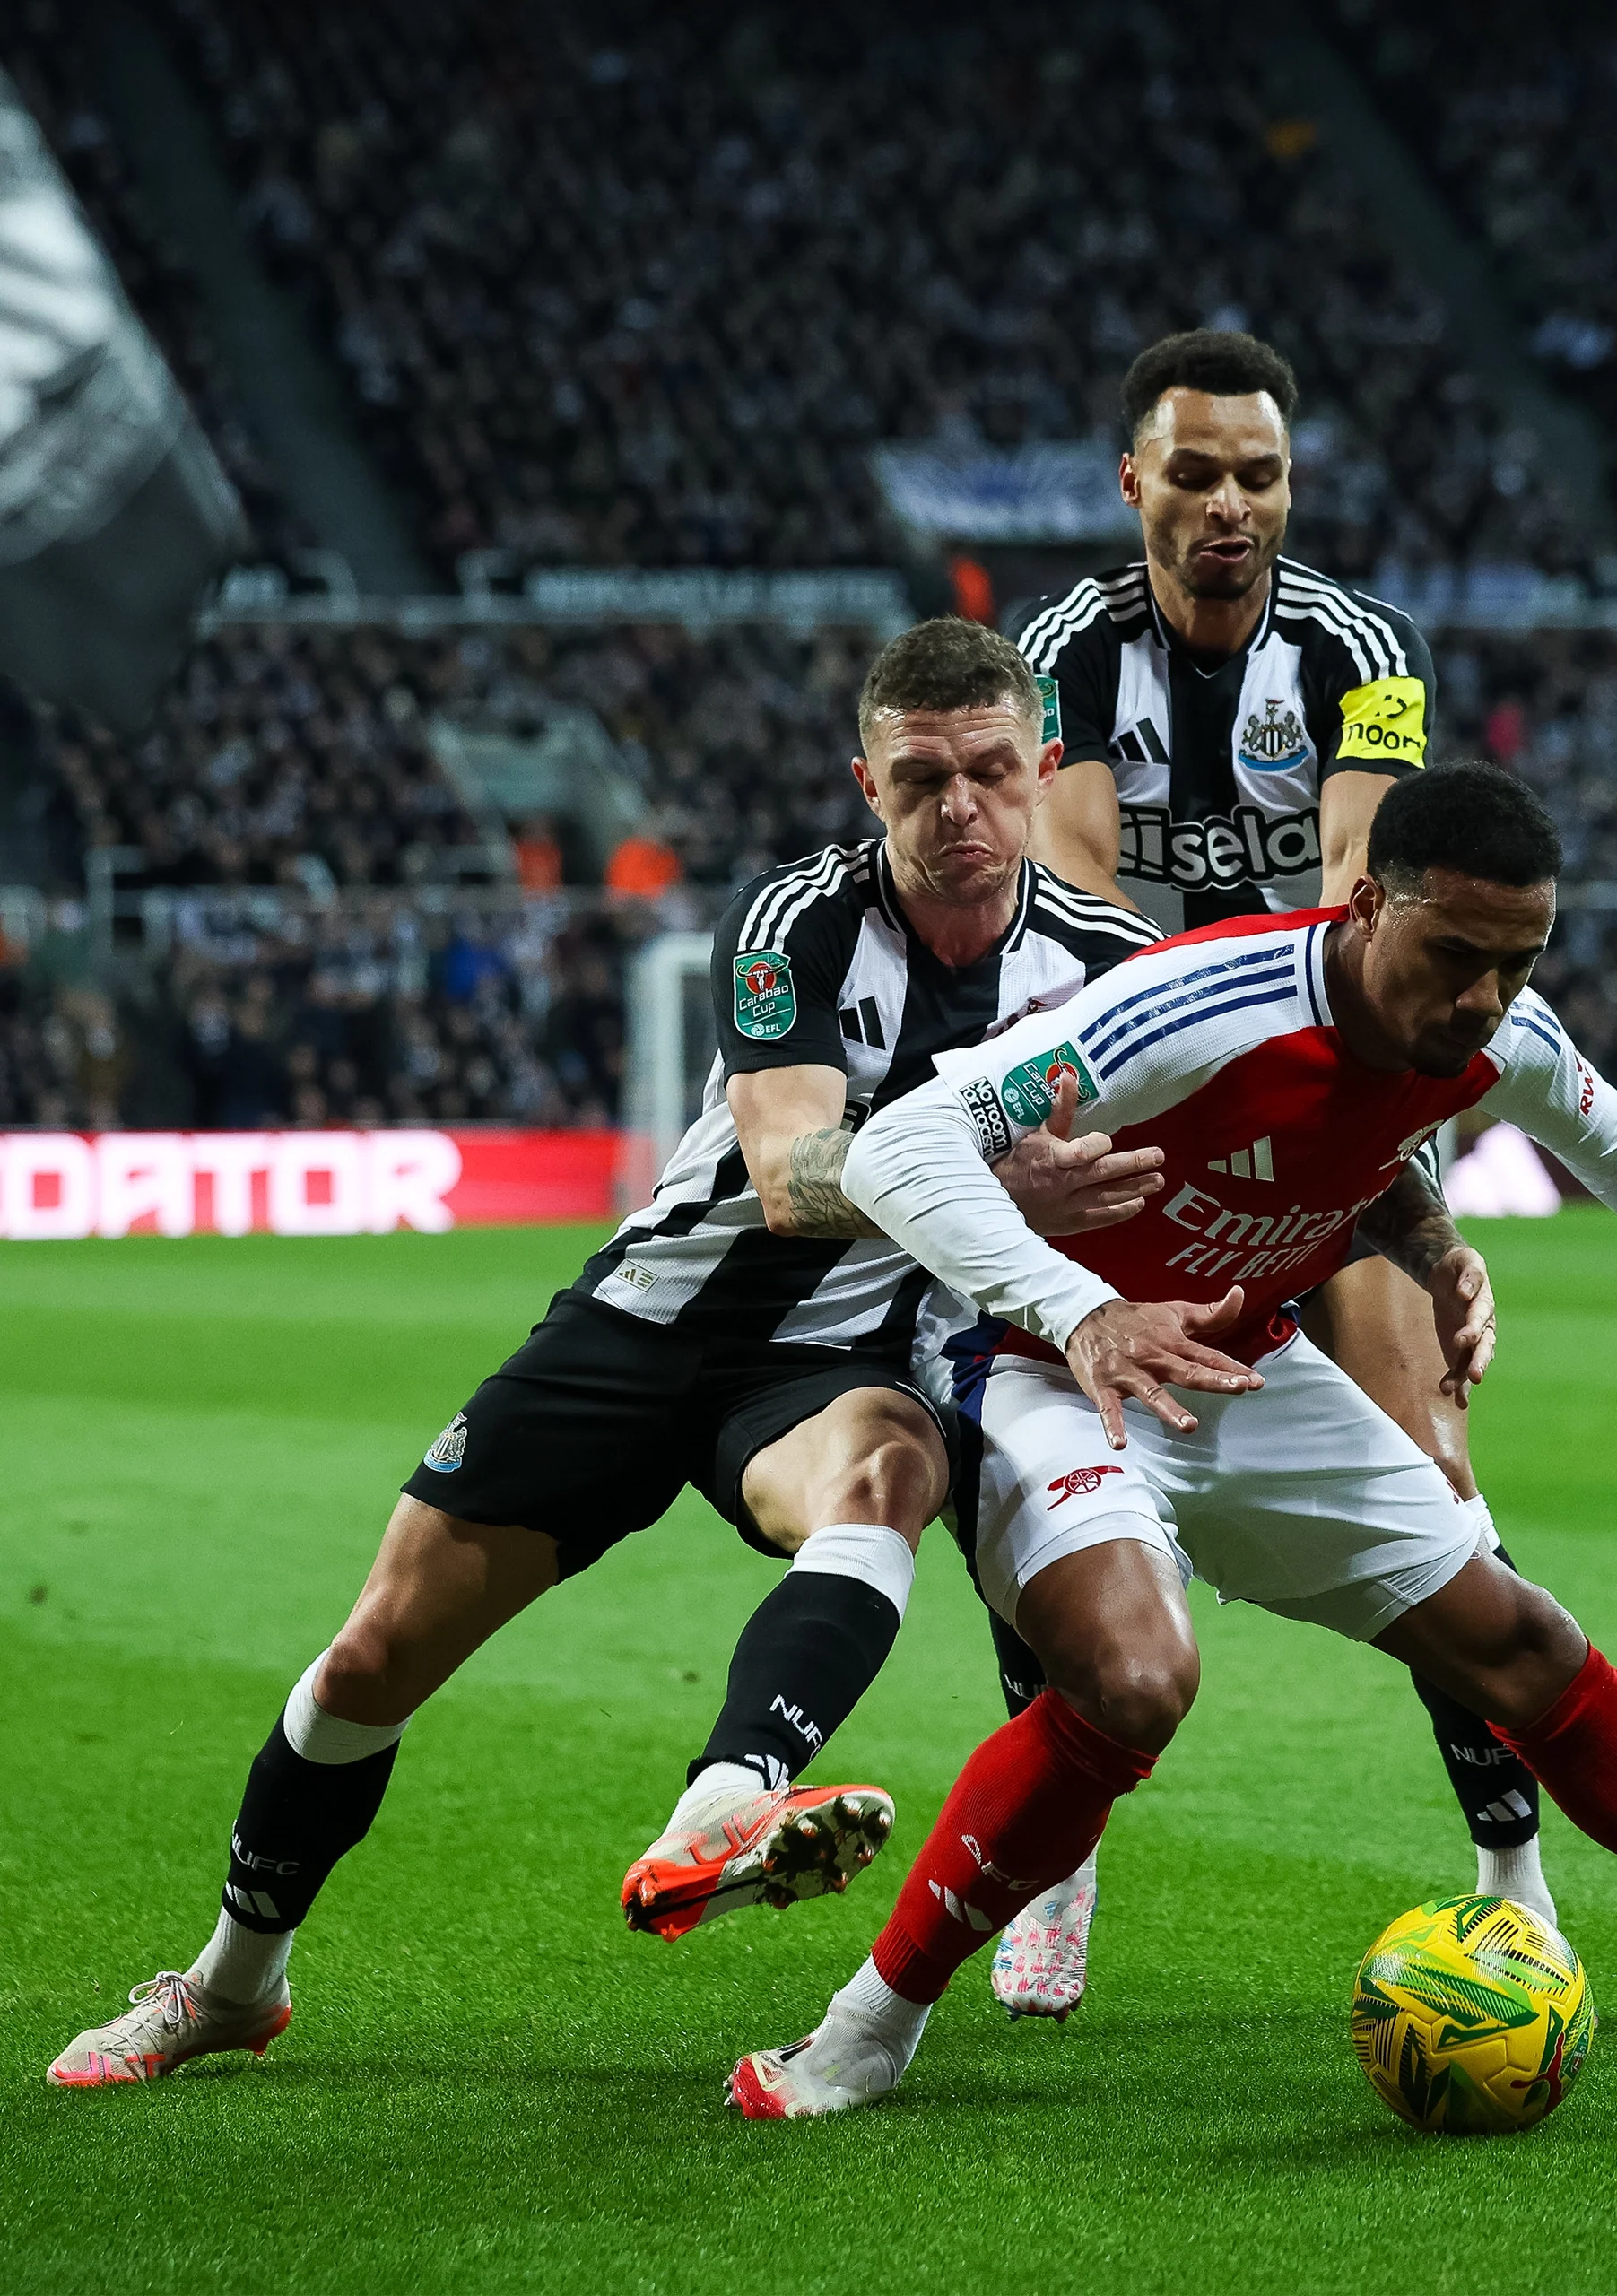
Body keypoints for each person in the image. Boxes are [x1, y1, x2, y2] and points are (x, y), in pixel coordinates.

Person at [46, 620, 1163, 2087]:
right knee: (376, 1652)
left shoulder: (1115, 966)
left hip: (835, 1359)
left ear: (1045, 769)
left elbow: (1249, 1127)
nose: (960, 807)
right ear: (867, 784)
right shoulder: (798, 920)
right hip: (648, 1322)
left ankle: (724, 1805)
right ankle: (230, 1982)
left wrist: (1409, 1251)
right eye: (921, 779)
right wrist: (1001, 1186)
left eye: (993, 772)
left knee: (889, 1472)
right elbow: (789, 1176)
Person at [727, 761, 1617, 2117]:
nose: (1485, 998)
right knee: (1137, 1678)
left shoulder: (1502, 1033)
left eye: (1518, 963)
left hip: (1247, 1366)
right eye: (1456, 955)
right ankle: (866, 2030)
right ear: (1369, 907)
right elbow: (900, 1150)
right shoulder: (1205, 1003)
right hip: (1039, 1366)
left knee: (1526, 1649)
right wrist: (1084, 1313)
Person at [992, 326, 1547, 2015]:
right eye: (1197, 473)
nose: (1230, 504)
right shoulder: (1065, 651)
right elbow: (1074, 882)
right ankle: (1056, 1855)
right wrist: (1188, 1053)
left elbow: (1363, 888)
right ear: (1133, 482)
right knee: (1056, 1461)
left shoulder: (1363, 652)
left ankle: (1511, 1869)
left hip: (1328, 1088)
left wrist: (1342, 1118)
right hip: (1135, 1098)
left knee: (1434, 1470)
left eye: (1262, 475)